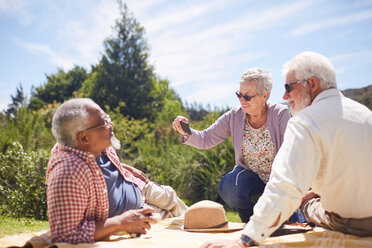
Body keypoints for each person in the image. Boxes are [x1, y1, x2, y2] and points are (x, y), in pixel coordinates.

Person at [200, 51, 372, 247]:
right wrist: (316, 191)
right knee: (309, 196)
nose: (284, 95)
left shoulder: (305, 121)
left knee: (306, 204)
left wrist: (245, 240)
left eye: (289, 87)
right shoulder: (365, 115)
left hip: (354, 223)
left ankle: (294, 220)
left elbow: (285, 185)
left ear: (313, 84)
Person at [47, 98, 188, 244]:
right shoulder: (68, 174)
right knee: (183, 224)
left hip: (138, 186)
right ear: (84, 137)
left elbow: (100, 165)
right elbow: (65, 235)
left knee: (171, 196)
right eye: (104, 122)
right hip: (138, 212)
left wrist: (127, 168)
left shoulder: (87, 141)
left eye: (107, 117)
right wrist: (121, 222)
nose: (111, 124)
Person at [172, 68, 303, 223]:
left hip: (279, 178)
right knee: (229, 187)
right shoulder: (234, 116)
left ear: (265, 95)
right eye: (239, 94)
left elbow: (292, 153)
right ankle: (251, 220)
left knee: (294, 224)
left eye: (247, 96)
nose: (242, 100)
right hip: (250, 177)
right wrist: (186, 132)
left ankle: (295, 215)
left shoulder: (281, 114)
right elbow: (206, 138)